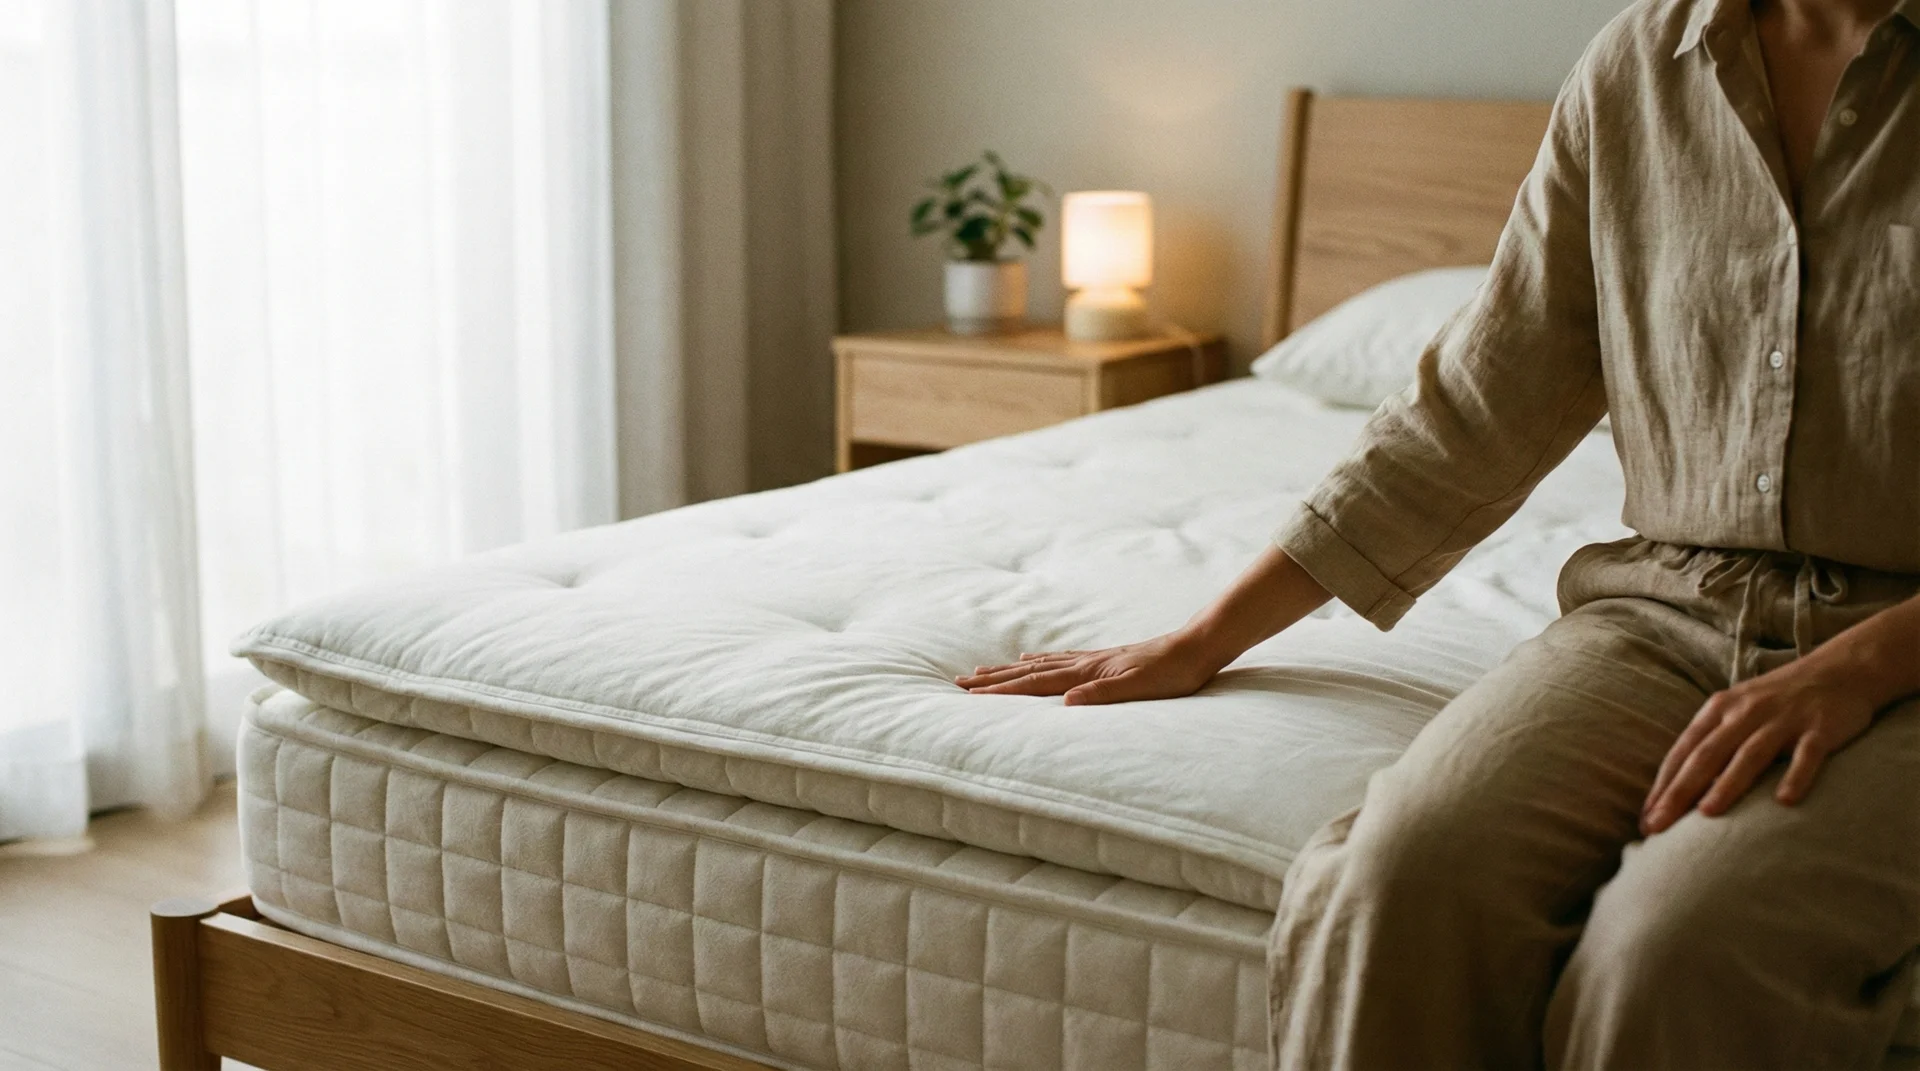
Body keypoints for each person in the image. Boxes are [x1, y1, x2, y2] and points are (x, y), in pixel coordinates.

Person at [956, 0, 1920, 1065]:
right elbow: (1477, 404)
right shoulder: (1640, 67)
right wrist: (1204, 638)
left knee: (1677, 951)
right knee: (1399, 882)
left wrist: (1859, 667)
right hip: (1668, 611)